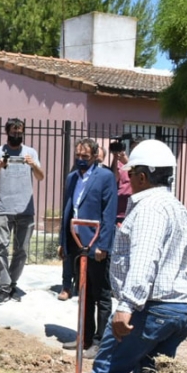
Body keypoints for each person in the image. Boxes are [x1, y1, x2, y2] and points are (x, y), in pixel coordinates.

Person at [91, 140, 187, 373]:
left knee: (107, 368)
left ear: (142, 176)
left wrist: (126, 306)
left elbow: (145, 259)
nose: (126, 177)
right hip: (179, 309)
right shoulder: (178, 208)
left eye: (130, 173)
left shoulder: (150, 209)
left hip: (151, 307)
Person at [58, 138, 118, 359]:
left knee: (100, 293)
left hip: (95, 244)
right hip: (76, 242)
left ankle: (100, 341)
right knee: (83, 292)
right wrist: (63, 242)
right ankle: (84, 336)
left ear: (95, 157)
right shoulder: (72, 178)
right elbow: (67, 210)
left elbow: (108, 213)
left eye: (85, 157)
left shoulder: (105, 177)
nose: (81, 160)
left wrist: (103, 244)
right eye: (78, 156)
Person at [0, 118, 44, 304]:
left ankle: (11, 283)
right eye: (14, 132)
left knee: (22, 250)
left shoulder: (31, 152)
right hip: (3, 208)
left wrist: (33, 164)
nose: (17, 135)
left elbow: (41, 177)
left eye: (20, 132)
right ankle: (3, 288)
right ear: (7, 132)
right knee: (1, 248)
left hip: (25, 209)